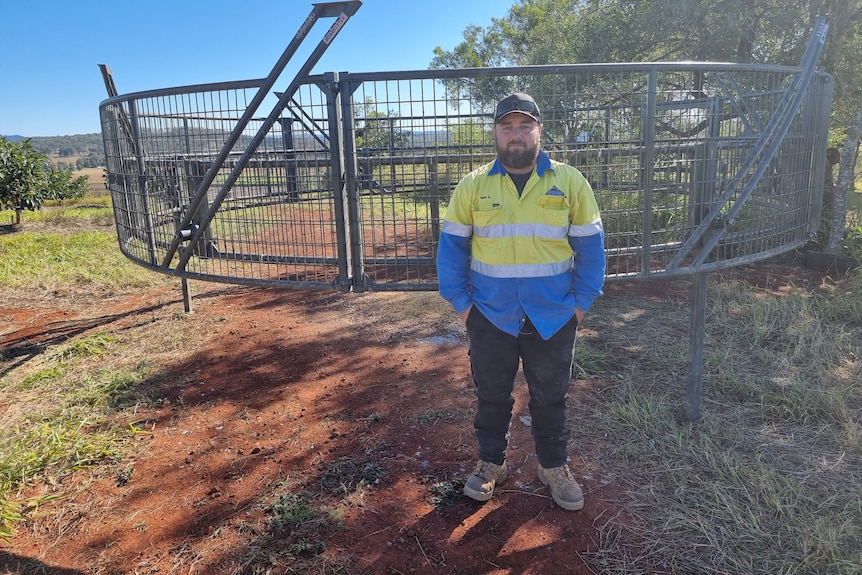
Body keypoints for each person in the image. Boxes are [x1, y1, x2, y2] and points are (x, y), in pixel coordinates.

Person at [436, 93, 606, 511]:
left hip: (553, 315)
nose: (516, 134)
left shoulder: (569, 182)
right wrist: (463, 306)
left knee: (551, 397)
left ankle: (553, 468)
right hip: (490, 316)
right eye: (507, 126)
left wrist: (579, 306)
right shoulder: (473, 186)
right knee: (492, 395)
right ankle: (491, 464)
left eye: (524, 126)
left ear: (539, 131)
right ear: (495, 132)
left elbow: (592, 250)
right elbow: (451, 251)